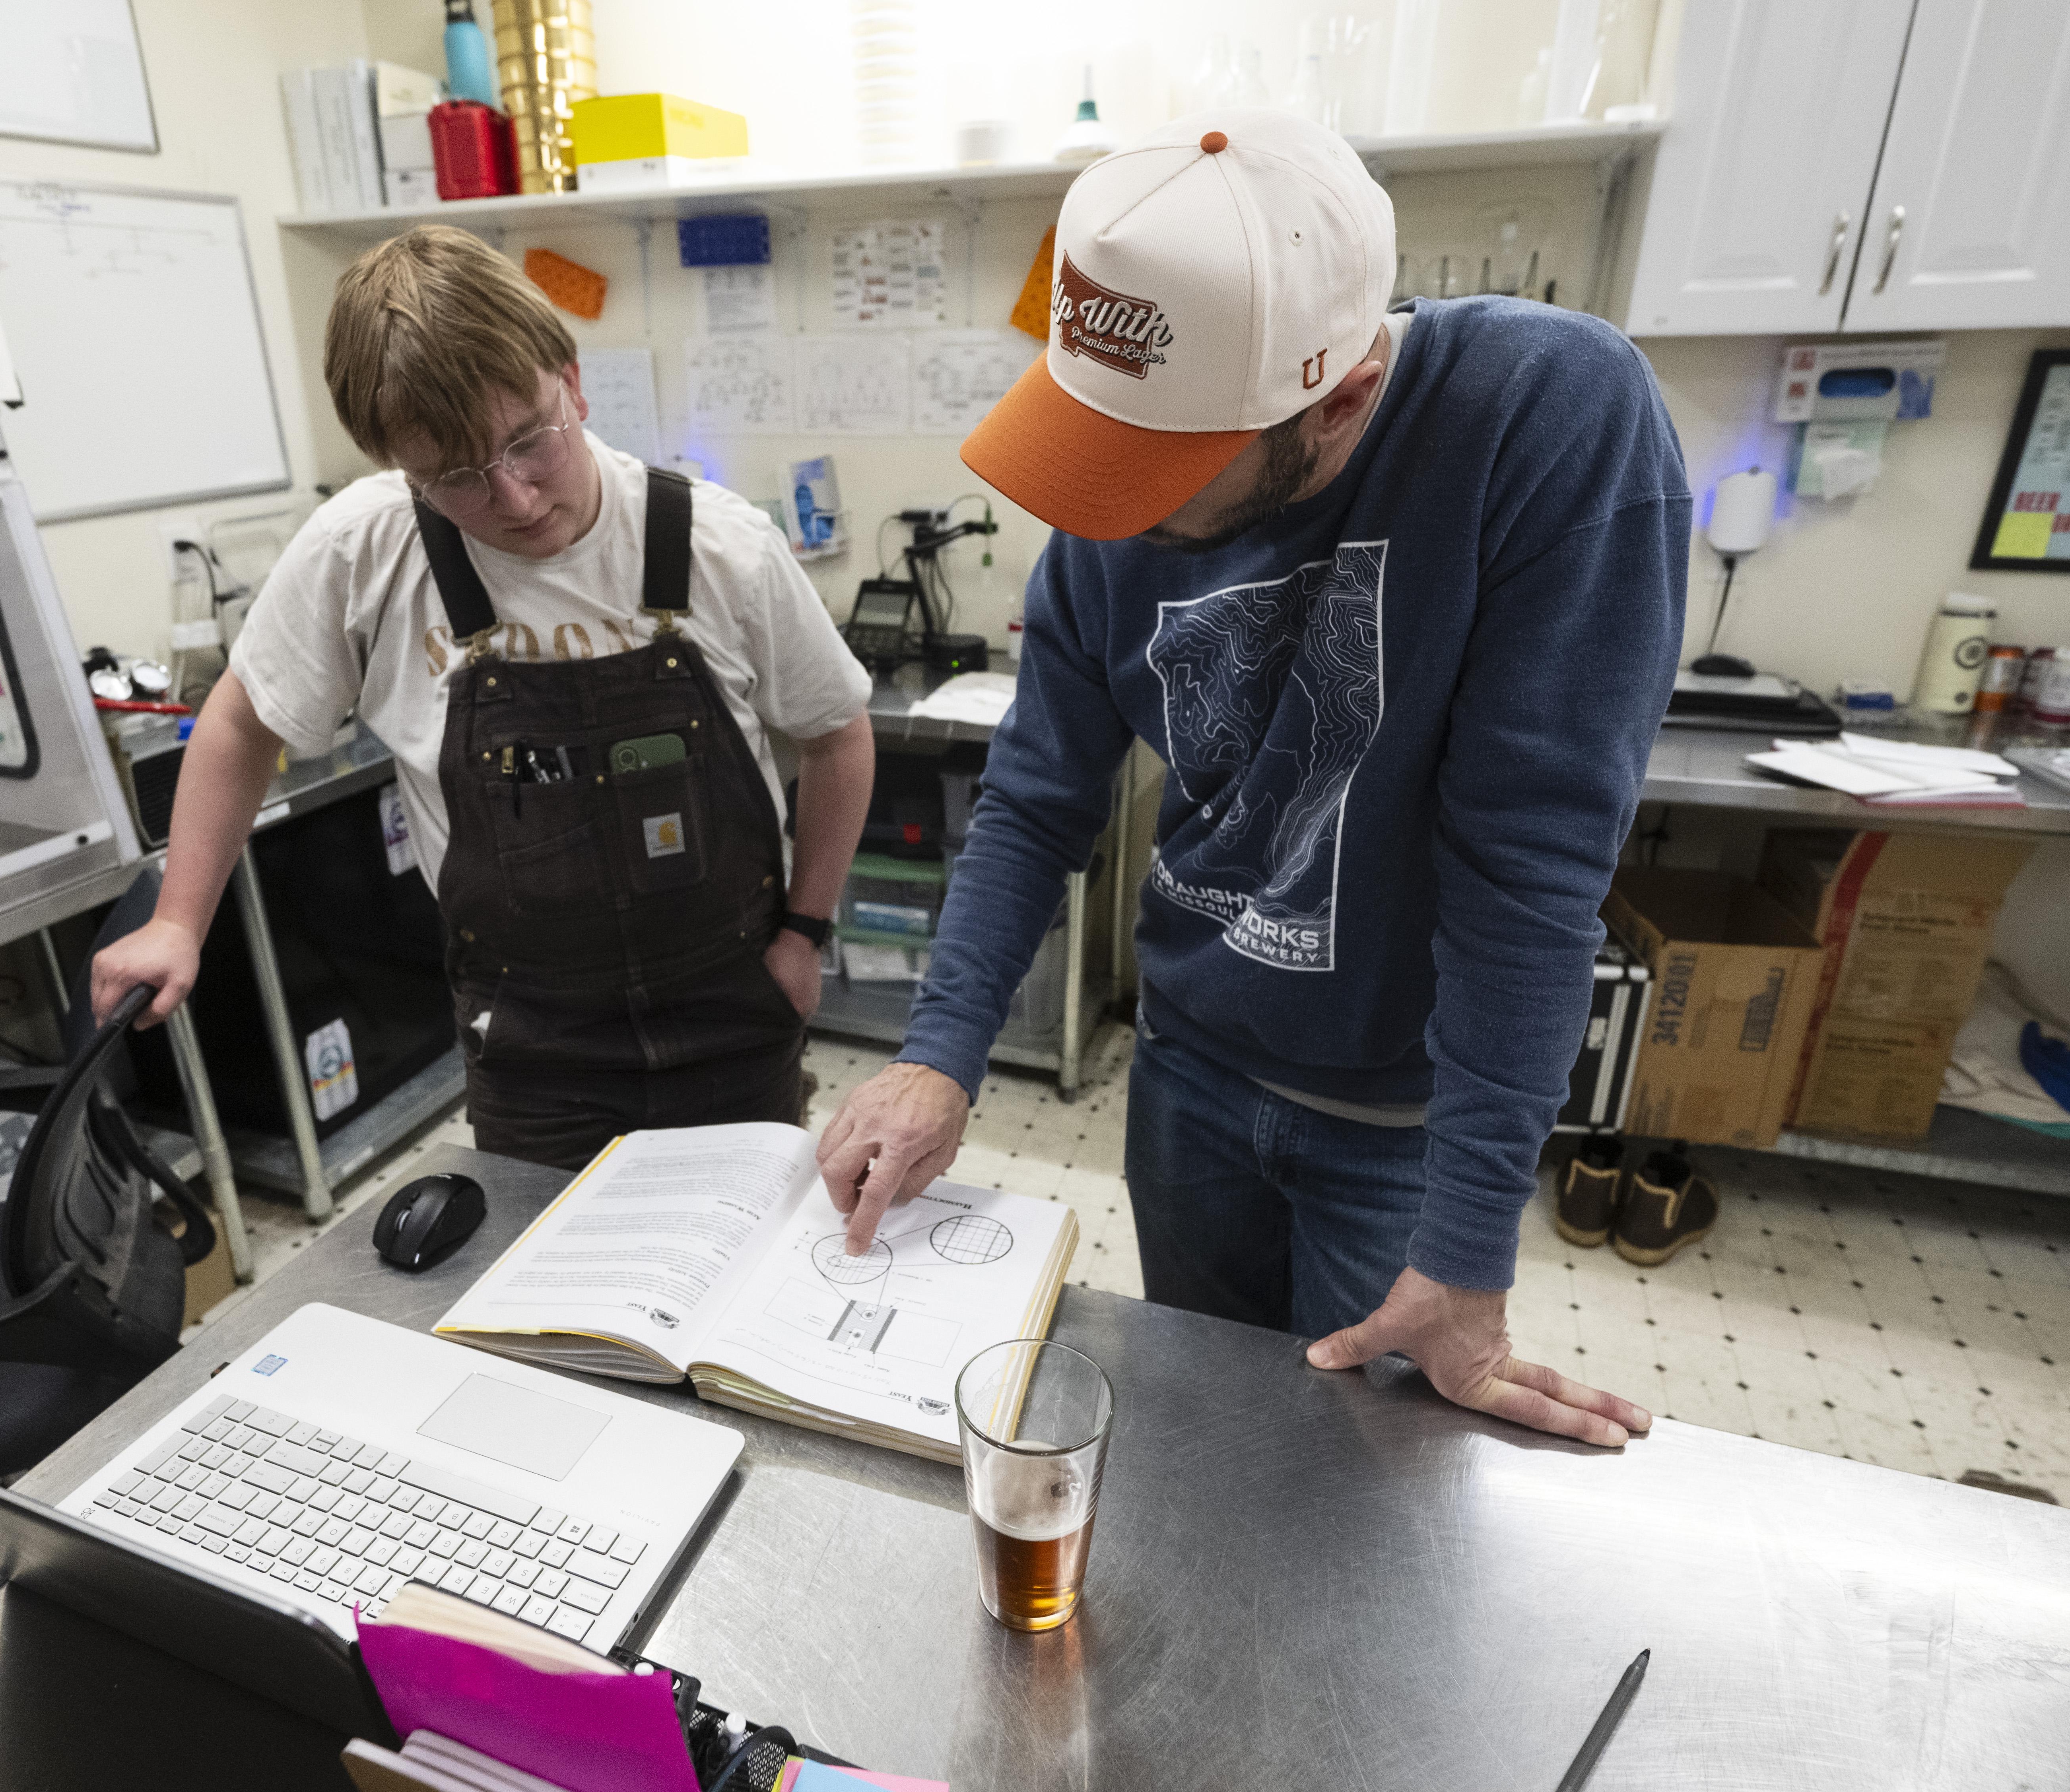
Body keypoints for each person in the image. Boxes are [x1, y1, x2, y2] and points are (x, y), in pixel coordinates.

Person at [816, 113, 1687, 1449]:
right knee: (1215, 1446)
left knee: (1364, 1480)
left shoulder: (1545, 412)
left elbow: (1528, 867)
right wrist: (938, 1055)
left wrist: (1462, 1253)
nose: (1108, 507)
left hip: (1400, 1113)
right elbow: (1038, 795)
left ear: (1335, 400)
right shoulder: (1117, 492)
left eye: (1155, 463)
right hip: (1191, 1081)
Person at [92, 226, 874, 1169]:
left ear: (572, 383)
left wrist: (804, 932)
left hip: (732, 1011)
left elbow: (836, 735)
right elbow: (238, 720)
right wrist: (178, 919)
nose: (513, 498)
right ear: (398, 464)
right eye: (453, 476)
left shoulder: (719, 546)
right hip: (530, 1043)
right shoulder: (363, 551)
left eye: (528, 442)